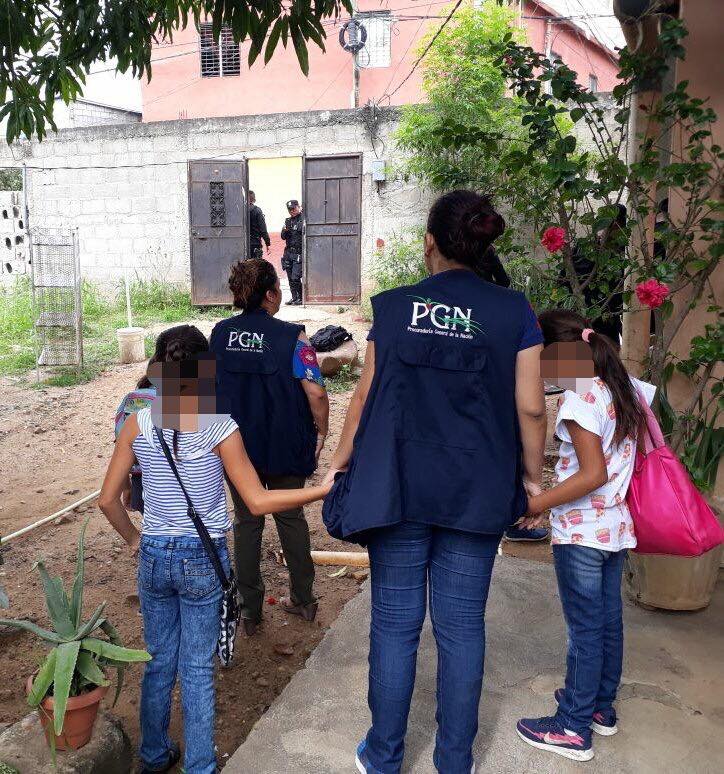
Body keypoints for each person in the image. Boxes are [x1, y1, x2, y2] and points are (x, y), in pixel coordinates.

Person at [323, 190, 547, 774]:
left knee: (395, 627)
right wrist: (533, 480)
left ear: (430, 243)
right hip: (476, 491)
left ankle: (384, 756)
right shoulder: (514, 312)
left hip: (397, 486)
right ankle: (454, 760)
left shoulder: (395, 308)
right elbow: (530, 407)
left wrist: (340, 462)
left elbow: (365, 397)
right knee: (461, 628)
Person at [99, 324, 331, 774]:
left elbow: (109, 500)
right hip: (201, 558)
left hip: (153, 556)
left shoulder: (136, 421)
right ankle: (200, 765)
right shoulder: (219, 427)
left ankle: (153, 755)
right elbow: (258, 501)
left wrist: (134, 539)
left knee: (159, 658)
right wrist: (319, 493)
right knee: (198, 667)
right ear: (205, 372)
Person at [515, 309, 654, 763]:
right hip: (614, 527)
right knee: (607, 623)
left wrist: (536, 503)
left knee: (585, 631)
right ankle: (600, 709)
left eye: (541, 358)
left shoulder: (580, 400)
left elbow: (591, 473)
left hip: (584, 533)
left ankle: (573, 726)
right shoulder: (622, 388)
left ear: (559, 357)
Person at [210, 258, 329, 635]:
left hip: (235, 445)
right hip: (285, 443)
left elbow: (204, 391)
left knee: (247, 521)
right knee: (291, 518)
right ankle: (304, 600)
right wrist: (322, 433)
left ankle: (250, 611)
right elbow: (316, 392)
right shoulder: (293, 337)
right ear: (269, 294)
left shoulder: (219, 334)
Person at [281, 199, 304, 305]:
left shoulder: (303, 219)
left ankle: (301, 297)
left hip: (299, 253)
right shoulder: (288, 221)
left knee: (295, 277)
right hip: (289, 253)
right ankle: (294, 298)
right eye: (290, 210)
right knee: (290, 277)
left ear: (298, 207)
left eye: (293, 209)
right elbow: (283, 237)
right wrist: (284, 231)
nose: (292, 211)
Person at [248, 190, 270, 260]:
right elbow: (263, 230)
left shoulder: (240, 210)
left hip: (241, 243)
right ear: (254, 199)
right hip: (255, 244)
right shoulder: (257, 211)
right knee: (256, 267)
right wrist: (267, 243)